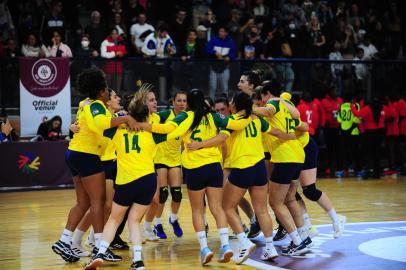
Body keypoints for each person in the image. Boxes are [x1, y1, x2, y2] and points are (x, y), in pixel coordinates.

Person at [136, 89, 244, 265]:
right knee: (217, 208)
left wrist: (143, 126)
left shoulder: (187, 116)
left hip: (195, 168)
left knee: (197, 210)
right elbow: (230, 127)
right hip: (214, 167)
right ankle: (225, 245)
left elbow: (166, 128)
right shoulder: (214, 116)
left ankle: (204, 248)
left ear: (189, 103)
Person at [51, 69, 137, 263]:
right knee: (98, 202)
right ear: (100, 92)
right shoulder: (96, 105)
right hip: (87, 155)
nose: (108, 91)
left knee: (84, 202)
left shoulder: (85, 103)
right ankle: (100, 247)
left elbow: (91, 122)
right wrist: (125, 118)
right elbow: (102, 123)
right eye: (106, 89)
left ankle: (65, 240)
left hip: (74, 153)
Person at [85, 89, 170, 270]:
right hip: (147, 180)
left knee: (114, 219)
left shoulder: (117, 129)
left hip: (126, 180)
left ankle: (100, 252)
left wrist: (118, 116)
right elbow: (171, 129)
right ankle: (138, 260)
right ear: (146, 114)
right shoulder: (153, 131)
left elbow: (100, 124)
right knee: (134, 221)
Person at [254, 83, 312, 256]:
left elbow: (268, 111)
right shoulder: (287, 106)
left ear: (267, 94)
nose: (262, 103)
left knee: (275, 202)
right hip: (296, 154)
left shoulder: (273, 103)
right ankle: (303, 237)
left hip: (285, 157)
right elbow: (300, 122)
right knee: (289, 198)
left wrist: (250, 108)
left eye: (262, 98)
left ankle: (297, 242)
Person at [152, 91, 187, 239]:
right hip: (160, 157)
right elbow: (150, 122)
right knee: (163, 193)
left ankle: (173, 219)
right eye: (178, 100)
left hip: (175, 159)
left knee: (177, 194)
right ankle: (157, 224)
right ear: (173, 102)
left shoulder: (187, 118)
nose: (181, 103)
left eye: (184, 101)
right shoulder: (165, 115)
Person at [350, 98, 385, 178]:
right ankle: (377, 174)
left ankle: (367, 173)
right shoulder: (381, 108)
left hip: (369, 133)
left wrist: (352, 105)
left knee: (367, 153)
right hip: (379, 132)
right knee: (376, 153)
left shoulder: (368, 108)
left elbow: (357, 114)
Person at [206, 26, 236, 99]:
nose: (220, 33)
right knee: (212, 87)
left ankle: (224, 104)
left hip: (225, 67)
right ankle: (211, 105)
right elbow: (207, 49)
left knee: (224, 88)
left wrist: (229, 57)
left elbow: (234, 53)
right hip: (214, 67)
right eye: (219, 31)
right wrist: (214, 52)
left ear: (226, 33)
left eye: (222, 31)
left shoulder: (230, 41)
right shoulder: (214, 39)